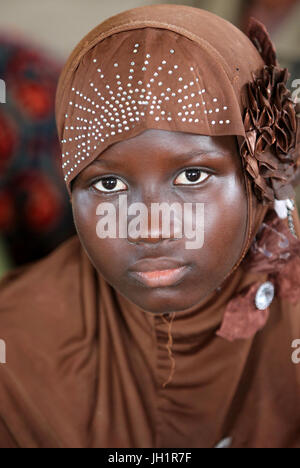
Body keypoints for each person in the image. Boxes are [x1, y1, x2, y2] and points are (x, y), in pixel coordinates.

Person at [0, 4, 300, 448]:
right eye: (108, 182)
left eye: (192, 176)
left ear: (260, 174)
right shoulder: (15, 354)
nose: (152, 226)